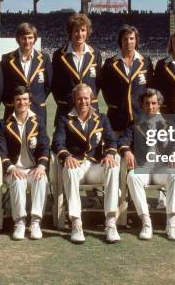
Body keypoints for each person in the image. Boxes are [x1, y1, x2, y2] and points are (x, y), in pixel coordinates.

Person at [52, 83, 120, 243]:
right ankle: (76, 223)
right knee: (68, 169)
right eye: (80, 98)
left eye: (86, 98)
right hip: (76, 166)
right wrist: (66, 156)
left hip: (95, 166)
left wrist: (110, 154)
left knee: (112, 167)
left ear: (92, 99)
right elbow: (57, 143)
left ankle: (110, 223)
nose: (83, 102)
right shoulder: (65, 119)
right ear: (75, 100)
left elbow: (111, 141)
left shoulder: (102, 118)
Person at [118, 88, 175, 241]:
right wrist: (127, 151)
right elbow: (123, 141)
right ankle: (146, 222)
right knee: (132, 177)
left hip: (162, 168)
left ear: (159, 104)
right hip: (143, 167)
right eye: (147, 103)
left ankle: (171, 223)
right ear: (142, 105)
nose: (151, 107)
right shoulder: (135, 123)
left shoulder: (170, 122)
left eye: (154, 103)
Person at [0, 86, 49, 240]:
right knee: (18, 180)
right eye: (18, 99)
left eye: (25, 99)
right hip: (13, 170)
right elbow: (0, 150)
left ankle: (35, 222)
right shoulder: (4, 123)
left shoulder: (39, 121)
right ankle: (19, 222)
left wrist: (41, 166)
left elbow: (45, 146)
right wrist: (11, 167)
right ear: (13, 102)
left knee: (40, 178)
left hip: (33, 169)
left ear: (29, 102)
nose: (21, 102)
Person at [99, 25, 154, 132]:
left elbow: (150, 88)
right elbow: (105, 89)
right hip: (117, 118)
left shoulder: (146, 62)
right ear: (120, 41)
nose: (128, 42)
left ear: (136, 40)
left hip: (141, 118)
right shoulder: (110, 63)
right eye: (125, 39)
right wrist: (117, 105)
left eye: (131, 38)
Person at [51, 13, 103, 121]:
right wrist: (67, 101)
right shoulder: (59, 55)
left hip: (90, 110)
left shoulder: (96, 54)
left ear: (87, 32)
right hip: (67, 111)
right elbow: (55, 85)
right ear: (70, 32)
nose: (80, 34)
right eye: (76, 30)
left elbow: (97, 83)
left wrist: (87, 99)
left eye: (83, 30)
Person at [0, 23, 52, 125]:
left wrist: (35, 99)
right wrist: (11, 103)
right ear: (18, 39)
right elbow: (2, 86)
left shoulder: (44, 58)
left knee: (38, 140)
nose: (27, 41)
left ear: (35, 39)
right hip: (14, 109)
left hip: (37, 109)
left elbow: (48, 85)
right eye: (24, 38)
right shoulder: (7, 59)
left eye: (30, 38)